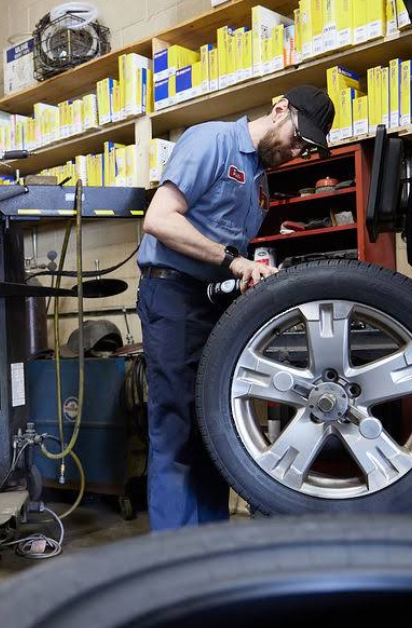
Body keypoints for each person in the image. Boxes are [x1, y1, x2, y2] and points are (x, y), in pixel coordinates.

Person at [137, 85, 336, 531]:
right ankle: (174, 553)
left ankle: (210, 546)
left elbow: (232, 251)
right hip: (173, 296)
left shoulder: (260, 182)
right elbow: (160, 219)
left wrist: (249, 274)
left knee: (213, 427)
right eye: (297, 139)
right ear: (279, 109)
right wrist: (234, 261)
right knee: (175, 427)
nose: (296, 152)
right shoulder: (212, 141)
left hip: (214, 302)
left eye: (305, 148)